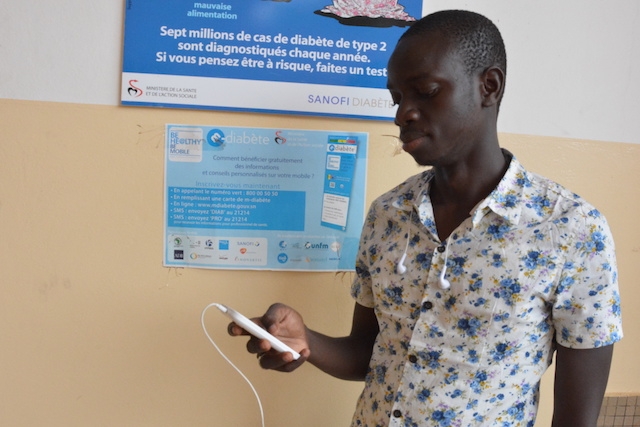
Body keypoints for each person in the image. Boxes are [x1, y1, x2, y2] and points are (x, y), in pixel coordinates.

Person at [229, 10, 623, 426]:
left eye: (426, 91)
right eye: (397, 98)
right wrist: (304, 341)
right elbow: (369, 354)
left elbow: (577, 418)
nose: (403, 114)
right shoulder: (388, 214)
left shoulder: (570, 230)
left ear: (489, 86)